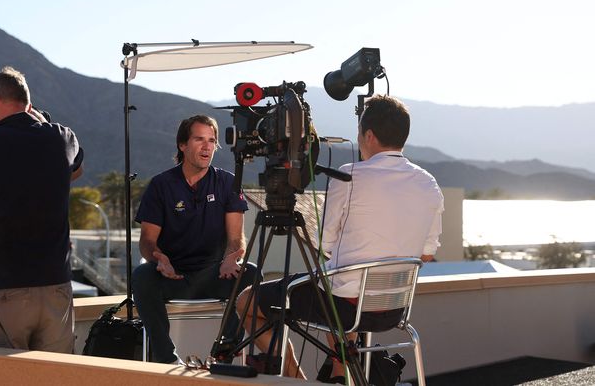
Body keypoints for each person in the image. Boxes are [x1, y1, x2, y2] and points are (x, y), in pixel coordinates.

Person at [237, 94, 444, 380]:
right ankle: (338, 373)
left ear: (368, 135)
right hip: (395, 309)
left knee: (246, 301)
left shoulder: (349, 176)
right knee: (339, 286)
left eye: (359, 133)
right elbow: (426, 254)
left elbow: (327, 245)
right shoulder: (428, 183)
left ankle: (298, 380)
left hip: (347, 308)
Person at [0, 66, 84, 353]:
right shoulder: (63, 137)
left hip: (3, 287)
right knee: (58, 376)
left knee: (5, 377)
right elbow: (75, 169)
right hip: (56, 286)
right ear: (29, 105)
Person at [132, 114, 259, 364]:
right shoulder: (161, 185)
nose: (207, 146)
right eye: (199, 139)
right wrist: (159, 259)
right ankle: (166, 358)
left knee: (251, 273)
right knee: (141, 275)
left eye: (211, 140)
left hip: (215, 275)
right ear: (182, 145)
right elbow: (147, 240)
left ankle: (223, 354)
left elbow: (237, 238)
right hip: (173, 276)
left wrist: (231, 259)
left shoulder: (228, 182)